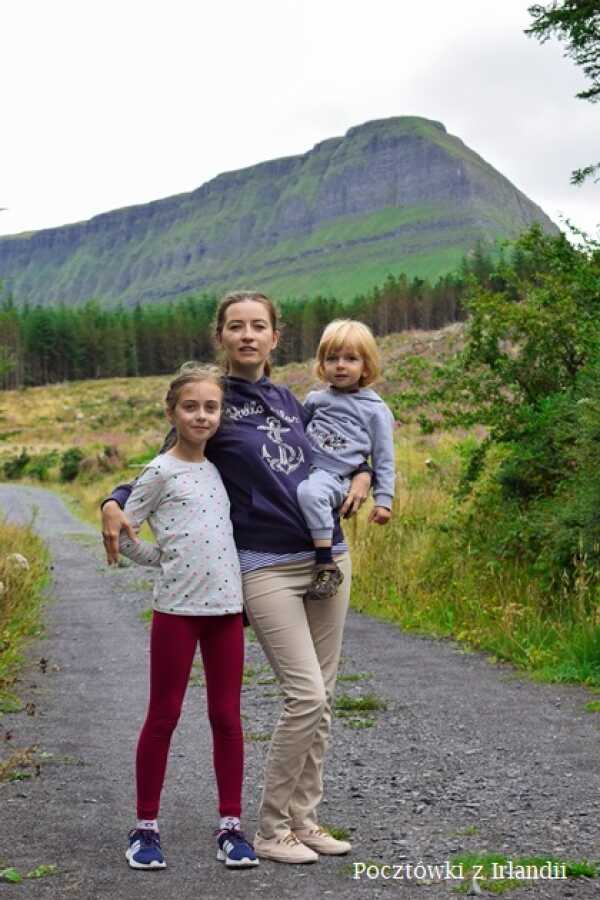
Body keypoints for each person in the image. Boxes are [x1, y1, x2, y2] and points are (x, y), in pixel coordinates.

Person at [101, 291, 372, 864]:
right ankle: (271, 829)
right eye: (235, 327)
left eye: (259, 327)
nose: (247, 335)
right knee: (305, 694)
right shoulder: (213, 400)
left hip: (326, 556)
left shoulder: (290, 400)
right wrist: (114, 499)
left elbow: (331, 451)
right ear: (220, 337)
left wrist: (366, 472)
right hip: (264, 563)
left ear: (276, 337)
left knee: (323, 699)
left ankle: (304, 819)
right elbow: (162, 463)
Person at [117, 364, 258, 871]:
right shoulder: (159, 471)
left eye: (211, 407)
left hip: (225, 611)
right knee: (164, 715)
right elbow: (125, 530)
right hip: (176, 611)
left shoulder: (219, 468)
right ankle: (145, 828)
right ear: (172, 412)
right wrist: (163, 560)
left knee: (227, 717)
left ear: (220, 413)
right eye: (191, 407)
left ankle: (231, 826)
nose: (202, 416)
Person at [297, 319, 395, 601]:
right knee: (302, 490)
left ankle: (326, 563)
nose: (340, 365)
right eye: (332, 358)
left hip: (337, 477)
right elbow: (296, 433)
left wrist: (384, 500)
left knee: (310, 493)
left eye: (350, 359)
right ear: (321, 364)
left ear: (366, 366)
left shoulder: (375, 410)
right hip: (308, 468)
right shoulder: (315, 399)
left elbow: (384, 457)